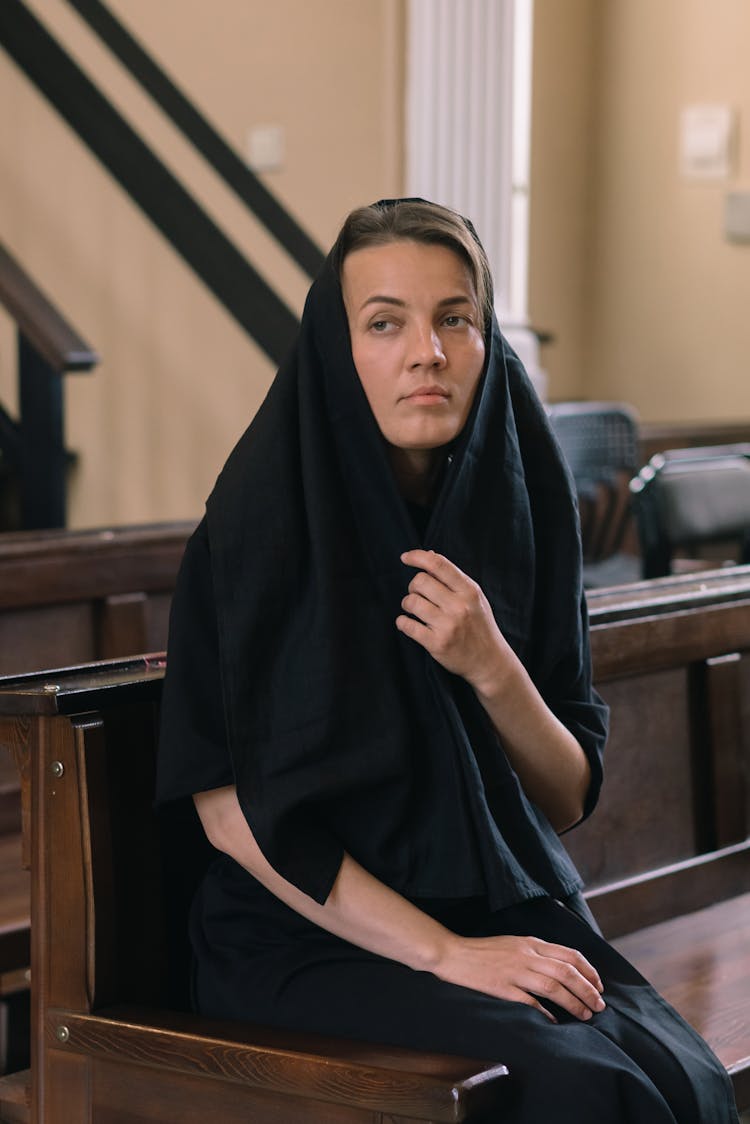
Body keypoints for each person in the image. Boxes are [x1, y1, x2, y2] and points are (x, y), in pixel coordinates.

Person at [156, 198, 739, 1122]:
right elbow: (232, 817)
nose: (425, 351)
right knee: (591, 1095)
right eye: (384, 323)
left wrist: (491, 663)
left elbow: (566, 794)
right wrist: (446, 954)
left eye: (453, 318)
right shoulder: (257, 527)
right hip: (307, 938)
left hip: (490, 902)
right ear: (339, 350)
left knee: (688, 1082)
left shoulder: (526, 505)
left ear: (484, 338)